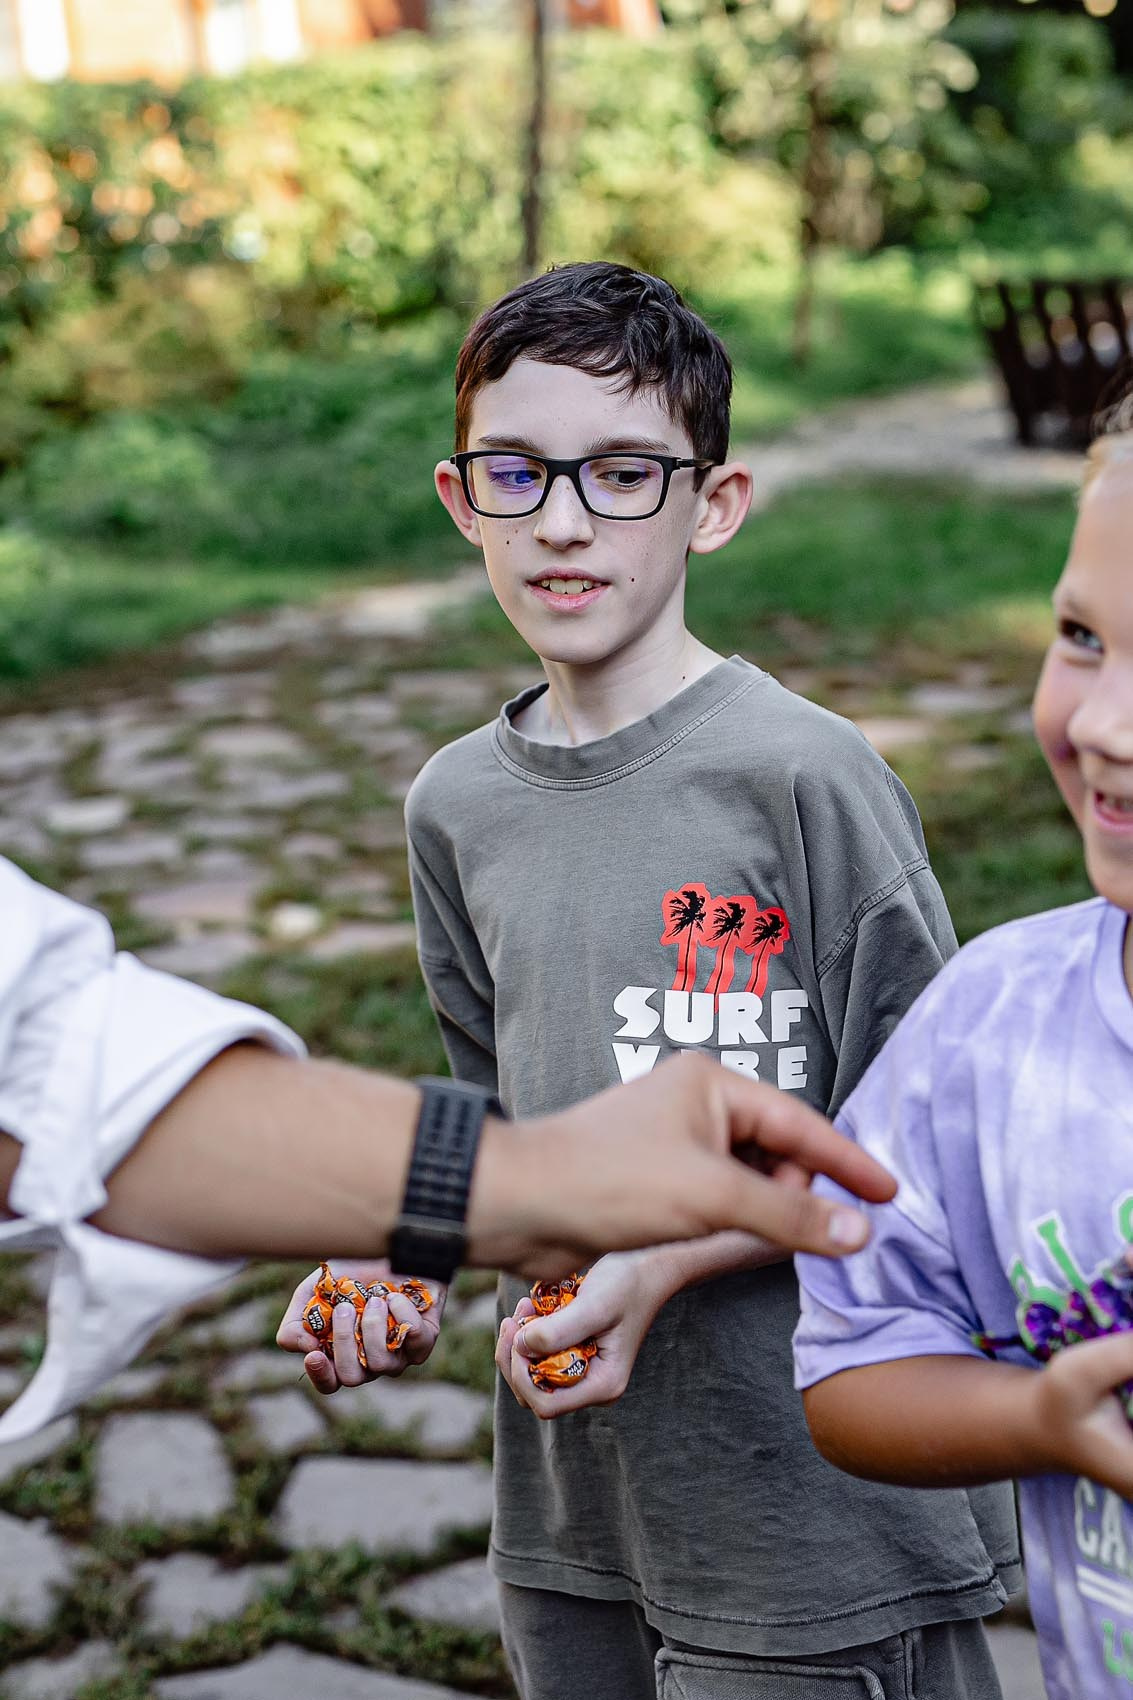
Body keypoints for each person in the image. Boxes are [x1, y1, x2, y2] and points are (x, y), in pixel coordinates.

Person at [279, 261, 1020, 1700]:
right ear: (459, 500)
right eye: (517, 473)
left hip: (814, 1518)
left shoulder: (805, 777)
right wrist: (407, 1246)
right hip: (579, 1514)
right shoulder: (454, 807)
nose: (562, 522)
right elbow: (498, 1118)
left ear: (714, 504)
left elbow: (931, 1136)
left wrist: (666, 1257)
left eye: (622, 474)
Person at [0, 854, 892, 1444]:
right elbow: (63, 1074)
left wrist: (451, 1206)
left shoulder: (809, 775)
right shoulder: (453, 802)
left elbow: (58, 1060)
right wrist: (491, 1195)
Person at [793, 404, 1133, 1700]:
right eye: (1081, 637)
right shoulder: (991, 1026)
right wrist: (1036, 1418)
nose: (1103, 725)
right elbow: (852, 1364)